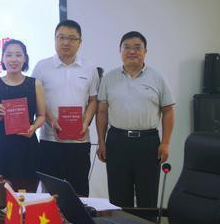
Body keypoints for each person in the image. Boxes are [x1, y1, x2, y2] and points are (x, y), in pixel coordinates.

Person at [96, 31, 175, 207]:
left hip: (148, 143)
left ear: (145, 51)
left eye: (137, 47)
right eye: (127, 47)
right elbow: (101, 112)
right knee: (118, 197)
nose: (132, 51)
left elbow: (168, 111)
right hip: (117, 142)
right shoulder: (109, 78)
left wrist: (165, 143)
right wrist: (101, 142)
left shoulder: (157, 77)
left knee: (148, 197)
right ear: (120, 51)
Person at [32, 20, 99, 196]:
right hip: (50, 141)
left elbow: (93, 100)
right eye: (61, 37)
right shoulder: (42, 67)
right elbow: (37, 100)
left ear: (80, 42)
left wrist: (85, 122)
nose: (66, 42)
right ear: (55, 39)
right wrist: (52, 120)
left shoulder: (89, 68)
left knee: (79, 193)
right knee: (50, 195)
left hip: (80, 142)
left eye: (72, 38)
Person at [0, 39, 46, 180]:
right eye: (9, 55)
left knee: (29, 190)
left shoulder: (35, 84)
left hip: (27, 146)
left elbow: (42, 115)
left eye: (18, 55)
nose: (13, 59)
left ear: (25, 58)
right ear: (3, 59)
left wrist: (34, 127)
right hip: (0, 147)